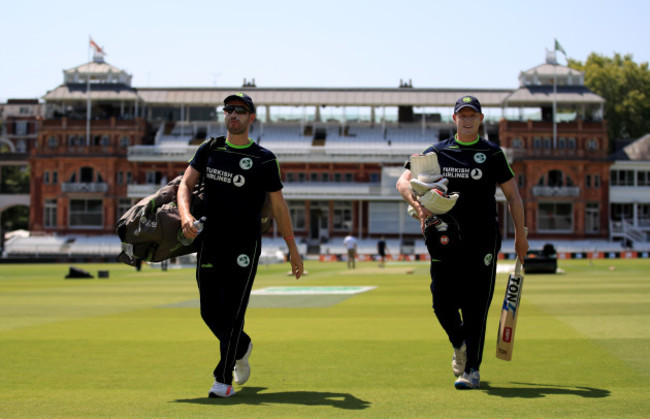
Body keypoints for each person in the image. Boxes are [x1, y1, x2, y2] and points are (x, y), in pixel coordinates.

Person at [396, 95, 528, 390]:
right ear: (453, 119)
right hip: (443, 237)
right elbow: (403, 182)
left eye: (473, 115)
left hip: (483, 239)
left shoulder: (492, 153)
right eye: (462, 115)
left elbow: (513, 195)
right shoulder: (437, 152)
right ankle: (459, 343)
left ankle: (472, 370)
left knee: (475, 306)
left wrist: (522, 235)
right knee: (441, 303)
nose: (467, 119)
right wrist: (420, 208)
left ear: (481, 119)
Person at [178, 92, 304, 399]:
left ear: (251, 118)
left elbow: (278, 205)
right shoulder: (209, 149)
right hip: (210, 241)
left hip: (245, 245)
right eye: (229, 109)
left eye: (240, 110)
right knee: (209, 312)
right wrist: (185, 215)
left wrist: (293, 248)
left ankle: (222, 380)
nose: (233, 114)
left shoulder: (264, 159)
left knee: (233, 313)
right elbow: (185, 184)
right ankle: (243, 345)